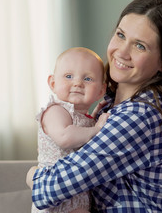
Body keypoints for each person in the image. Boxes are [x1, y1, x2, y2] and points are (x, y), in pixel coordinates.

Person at [26, 0, 162, 212]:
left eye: (140, 46)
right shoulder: (109, 105)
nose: (122, 52)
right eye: (120, 35)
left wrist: (31, 174)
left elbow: (50, 188)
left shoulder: (139, 115)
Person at [31, 47, 110, 213]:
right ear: (53, 83)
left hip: (76, 192)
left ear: (101, 91)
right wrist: (96, 129)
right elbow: (65, 136)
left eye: (88, 79)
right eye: (69, 76)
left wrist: (94, 118)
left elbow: (80, 127)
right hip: (55, 192)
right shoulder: (55, 110)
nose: (77, 83)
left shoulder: (82, 117)